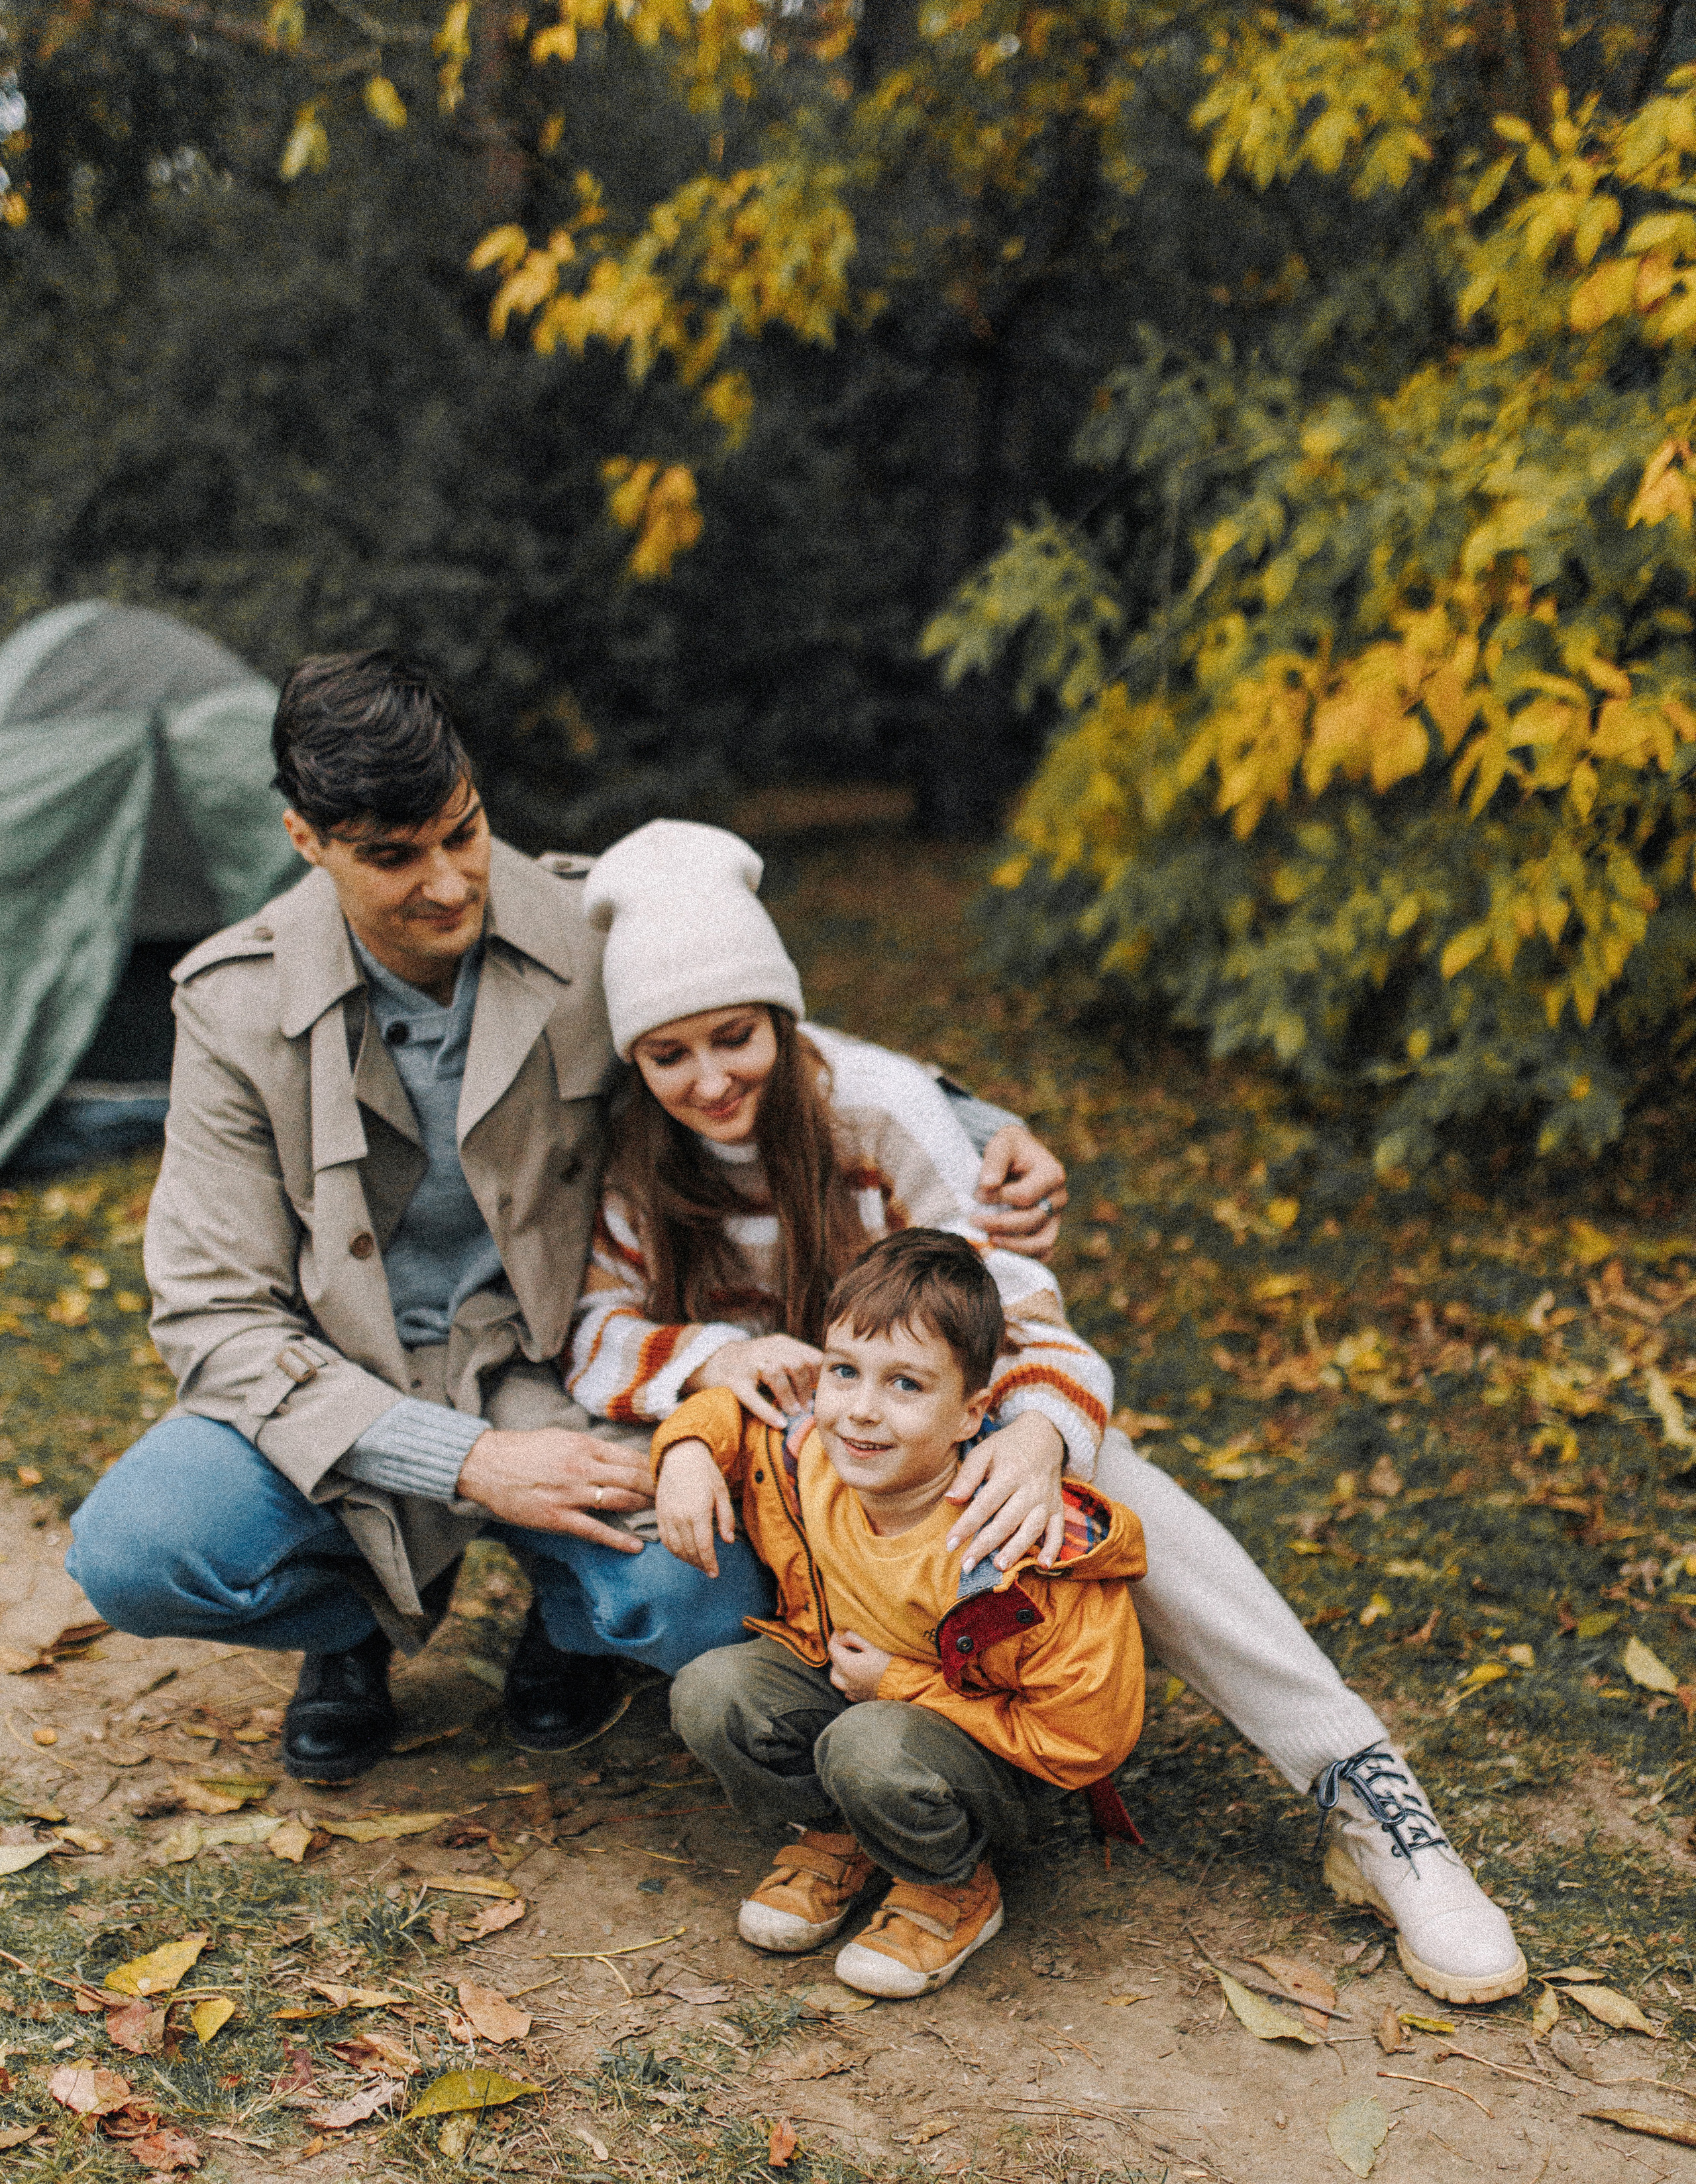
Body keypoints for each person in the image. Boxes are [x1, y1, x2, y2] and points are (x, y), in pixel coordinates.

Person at [63, 653, 1069, 1787]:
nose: (448, 884)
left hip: (561, 1367)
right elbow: (213, 1320)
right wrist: (470, 1464)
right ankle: (353, 1627)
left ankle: (570, 1620)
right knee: (132, 1554)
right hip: (340, 1386)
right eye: (394, 858)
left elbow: (753, 1025)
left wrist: (977, 1117)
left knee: (704, 1603)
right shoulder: (231, 1005)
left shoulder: (590, 923)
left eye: (463, 829)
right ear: (308, 841)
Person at [570, 820, 1529, 2008]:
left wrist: (1035, 1436)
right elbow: (597, 1333)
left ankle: (1363, 1790)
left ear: (784, 1017)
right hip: (793, 1461)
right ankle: (846, 1815)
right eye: (670, 1054)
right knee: (724, 1651)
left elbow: (1023, 1304)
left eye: (737, 1035)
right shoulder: (638, 1160)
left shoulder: (874, 1107)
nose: (711, 1079)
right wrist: (715, 1367)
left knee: (1107, 1494)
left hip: (941, 1421)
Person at [656, 1229, 1147, 1996]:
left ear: (969, 1413)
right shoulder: (813, 1453)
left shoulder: (1021, 1553)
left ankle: (951, 1884)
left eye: (906, 1386)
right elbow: (730, 1412)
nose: (859, 1412)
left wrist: (898, 1684)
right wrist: (684, 1451)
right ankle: (841, 1836)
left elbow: (1086, 1740)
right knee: (712, 1691)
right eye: (843, 1371)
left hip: (990, 1762)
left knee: (869, 1742)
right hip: (859, 1695)